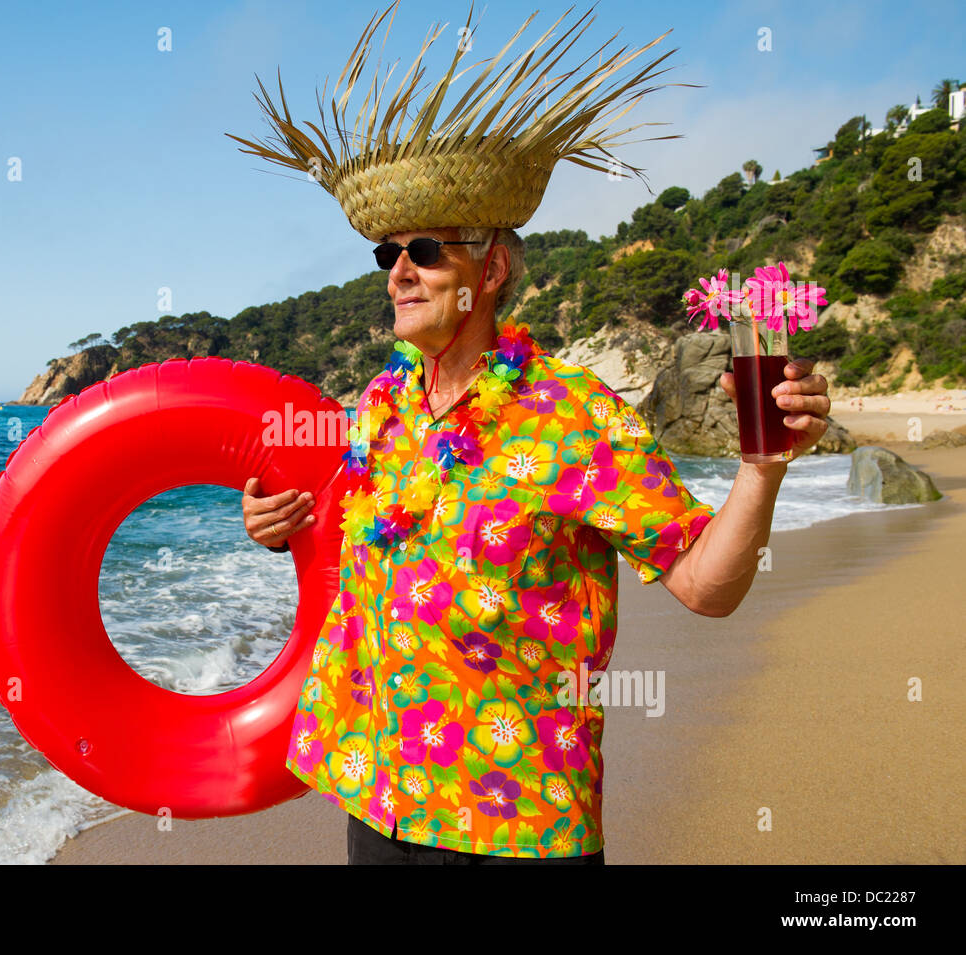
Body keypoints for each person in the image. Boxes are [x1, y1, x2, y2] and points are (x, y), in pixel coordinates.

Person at [228, 1, 831, 864]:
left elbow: (708, 585)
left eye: (428, 250)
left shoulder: (574, 414)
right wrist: (273, 527)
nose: (399, 270)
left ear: (494, 268)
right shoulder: (377, 410)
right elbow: (360, 543)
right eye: (386, 254)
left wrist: (762, 470)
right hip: (379, 798)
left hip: (512, 822)